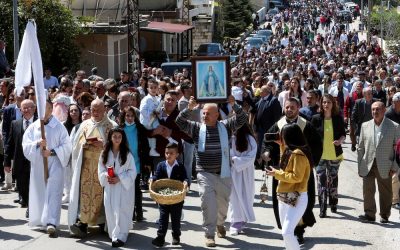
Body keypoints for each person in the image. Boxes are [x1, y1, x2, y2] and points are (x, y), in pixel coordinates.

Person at [176, 95, 247, 247]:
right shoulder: (196, 128)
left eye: (208, 113)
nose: (205, 116)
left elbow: (242, 118)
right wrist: (189, 108)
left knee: (222, 205)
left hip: (223, 173)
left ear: (217, 115)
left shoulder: (226, 126)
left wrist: (234, 105)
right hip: (204, 173)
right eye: (203, 113)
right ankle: (209, 233)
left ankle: (220, 223)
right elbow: (179, 122)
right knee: (207, 203)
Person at [262, 97, 322, 244]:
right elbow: (267, 143)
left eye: (292, 107)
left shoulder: (305, 125)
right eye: (287, 107)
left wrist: (310, 163)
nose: (289, 110)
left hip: (301, 173)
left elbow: (317, 145)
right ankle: (287, 229)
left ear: (298, 107)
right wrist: (267, 153)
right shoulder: (278, 125)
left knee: (299, 200)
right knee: (283, 201)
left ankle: (298, 230)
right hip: (282, 171)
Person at [22, 100, 72, 236]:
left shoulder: (59, 127)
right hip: (39, 164)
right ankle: (39, 219)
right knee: (40, 191)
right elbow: (26, 146)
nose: (43, 111)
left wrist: (52, 152)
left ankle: (52, 222)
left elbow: (67, 146)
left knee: (54, 193)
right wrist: (37, 144)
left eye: (47, 108)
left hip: (55, 164)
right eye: (41, 108)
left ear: (51, 109)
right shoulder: (33, 127)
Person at [68, 99, 117, 237]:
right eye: (93, 110)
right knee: (85, 194)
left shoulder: (111, 125)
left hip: (103, 165)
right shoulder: (85, 124)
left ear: (104, 110)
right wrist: (84, 144)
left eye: (98, 110)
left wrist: (105, 144)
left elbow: (119, 146)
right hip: (86, 165)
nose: (95, 113)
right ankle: (82, 223)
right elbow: (76, 145)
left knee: (102, 194)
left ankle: (103, 222)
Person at [266, 123, 313, 250]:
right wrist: (281, 145)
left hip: (296, 197)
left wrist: (277, 174)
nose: (280, 137)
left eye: (282, 135)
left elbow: (296, 177)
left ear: (289, 136)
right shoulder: (290, 151)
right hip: (285, 196)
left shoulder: (298, 154)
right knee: (287, 234)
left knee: (286, 232)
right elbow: (286, 165)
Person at [358, 101, 400, 223]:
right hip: (368, 163)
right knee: (368, 190)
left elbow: (398, 149)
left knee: (385, 192)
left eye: (378, 109)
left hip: (386, 165)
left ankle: (385, 215)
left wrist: (395, 166)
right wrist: (360, 165)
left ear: (384, 111)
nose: (375, 112)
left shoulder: (394, 126)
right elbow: (360, 148)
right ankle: (369, 214)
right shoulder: (365, 126)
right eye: (373, 110)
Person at [98, 128, 137, 247]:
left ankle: (122, 235)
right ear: (110, 137)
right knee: (110, 210)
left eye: (119, 137)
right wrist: (106, 176)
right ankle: (113, 234)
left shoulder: (127, 154)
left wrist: (119, 178)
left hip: (123, 188)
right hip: (110, 187)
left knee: (122, 210)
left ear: (122, 138)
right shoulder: (105, 153)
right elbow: (101, 169)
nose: (117, 139)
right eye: (114, 136)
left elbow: (132, 171)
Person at [311, 94, 346, 217]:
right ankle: (322, 207)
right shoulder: (315, 118)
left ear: (333, 104)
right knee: (321, 181)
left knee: (333, 179)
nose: (326, 105)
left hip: (334, 155)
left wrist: (340, 141)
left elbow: (343, 134)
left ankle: (333, 202)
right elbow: (311, 136)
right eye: (324, 102)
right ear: (321, 104)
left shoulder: (337, 118)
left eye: (329, 102)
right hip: (319, 156)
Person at [150, 143, 188, 247]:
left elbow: (185, 178)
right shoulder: (161, 165)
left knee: (176, 218)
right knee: (163, 218)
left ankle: (176, 236)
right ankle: (160, 237)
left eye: (171, 153)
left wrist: (186, 182)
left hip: (177, 199)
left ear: (177, 154)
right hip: (163, 199)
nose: (168, 155)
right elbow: (156, 176)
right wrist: (152, 179)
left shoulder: (180, 166)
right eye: (167, 153)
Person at [4, 100, 37, 216]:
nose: (27, 110)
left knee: (33, 185)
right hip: (20, 160)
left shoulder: (40, 123)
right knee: (22, 186)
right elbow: (10, 143)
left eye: (29, 107)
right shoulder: (15, 123)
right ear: (21, 110)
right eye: (24, 108)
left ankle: (31, 208)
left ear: (34, 109)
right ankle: (27, 203)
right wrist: (7, 162)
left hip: (35, 161)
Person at [119, 106, 151, 222]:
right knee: (127, 188)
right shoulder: (120, 129)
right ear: (123, 116)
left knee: (137, 189)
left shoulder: (140, 128)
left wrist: (147, 162)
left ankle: (139, 213)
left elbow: (146, 146)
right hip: (124, 163)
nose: (130, 118)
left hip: (137, 162)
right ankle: (130, 213)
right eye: (127, 115)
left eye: (132, 116)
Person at [227, 123, 257, 236]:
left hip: (246, 171)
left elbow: (251, 157)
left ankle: (243, 219)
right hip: (232, 171)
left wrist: (235, 160)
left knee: (246, 195)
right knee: (234, 196)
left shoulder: (250, 139)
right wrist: (232, 160)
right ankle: (235, 222)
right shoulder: (230, 137)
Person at [61, 104, 82, 203]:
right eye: (71, 111)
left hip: (79, 154)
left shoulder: (84, 124)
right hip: (67, 154)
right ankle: (67, 194)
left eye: (76, 110)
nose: (74, 112)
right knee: (67, 174)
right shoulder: (64, 126)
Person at [385, 92, 400, 209]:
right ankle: (394, 200)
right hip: (392, 146)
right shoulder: (389, 114)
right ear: (394, 102)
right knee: (395, 173)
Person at [139, 79, 161, 157]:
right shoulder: (146, 99)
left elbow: (158, 109)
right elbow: (142, 110)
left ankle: (153, 149)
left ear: (158, 88)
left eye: (155, 87)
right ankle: (152, 149)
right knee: (155, 131)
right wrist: (151, 115)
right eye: (151, 87)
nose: (153, 89)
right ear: (148, 89)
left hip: (153, 120)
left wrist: (158, 113)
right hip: (147, 121)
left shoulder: (157, 99)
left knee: (157, 130)